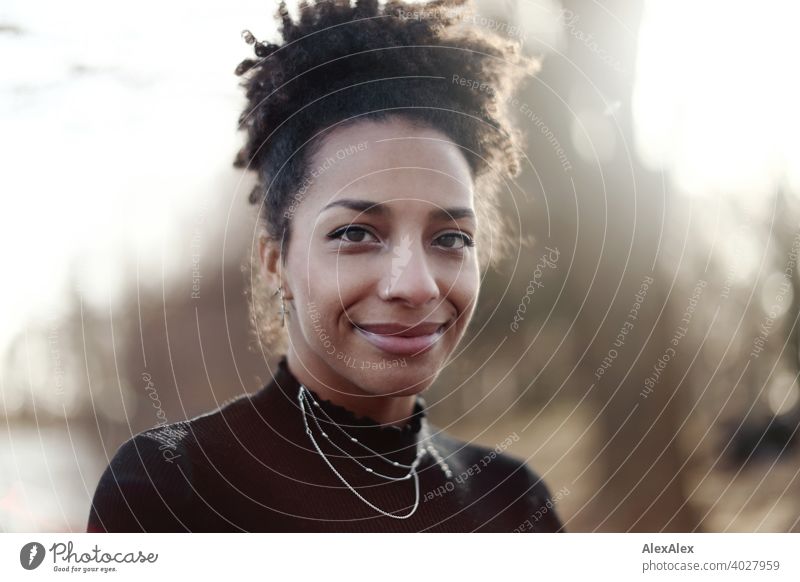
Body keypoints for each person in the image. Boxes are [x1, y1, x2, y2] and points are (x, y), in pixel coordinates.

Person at [86, 0, 564, 533]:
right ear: (276, 261)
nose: (415, 284)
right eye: (356, 234)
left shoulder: (513, 501)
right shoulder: (172, 487)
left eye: (450, 238)